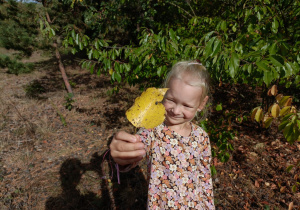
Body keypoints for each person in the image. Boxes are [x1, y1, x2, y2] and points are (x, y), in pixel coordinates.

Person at [110, 60, 215, 209]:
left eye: (186, 105)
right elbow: (135, 150)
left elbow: (205, 178)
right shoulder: (152, 130)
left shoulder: (201, 136)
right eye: (171, 100)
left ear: (201, 104)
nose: (176, 110)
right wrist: (123, 156)